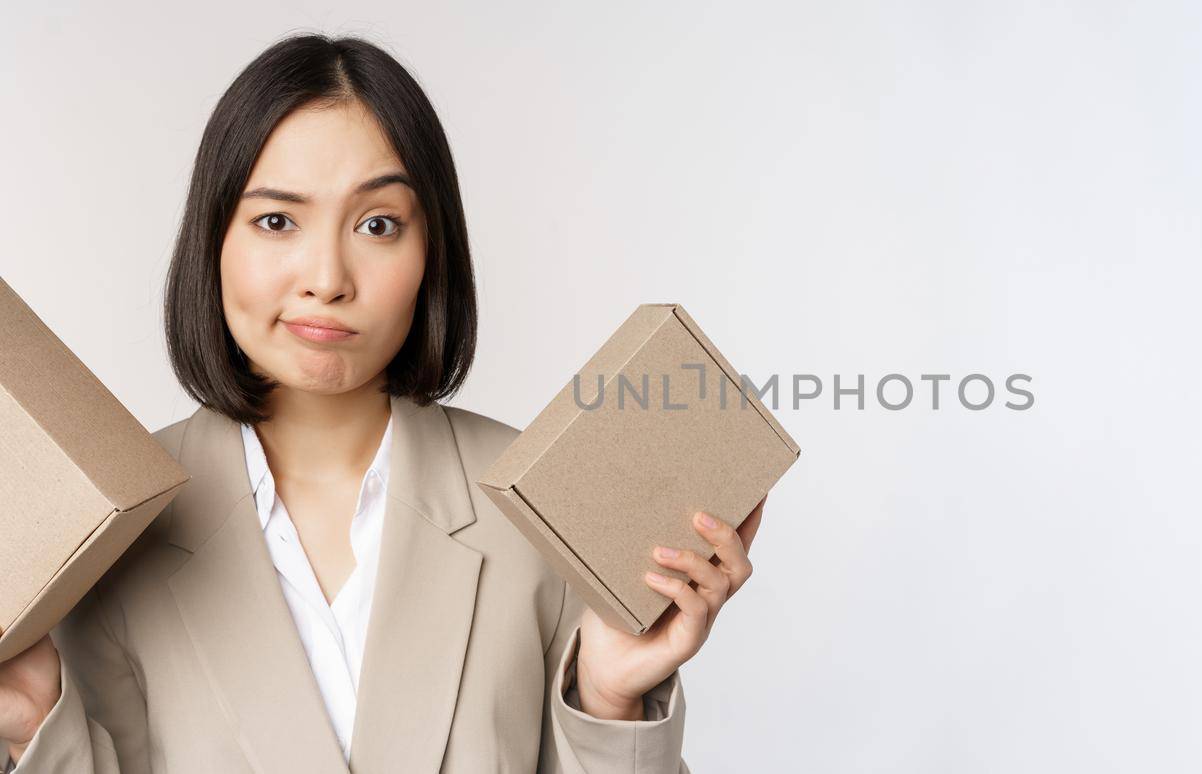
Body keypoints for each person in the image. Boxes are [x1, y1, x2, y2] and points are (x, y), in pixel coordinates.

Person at [0, 33, 764, 773]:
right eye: (276, 220)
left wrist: (608, 703)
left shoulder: (545, 507)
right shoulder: (94, 529)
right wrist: (36, 726)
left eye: (377, 224)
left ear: (431, 254)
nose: (327, 276)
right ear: (213, 241)